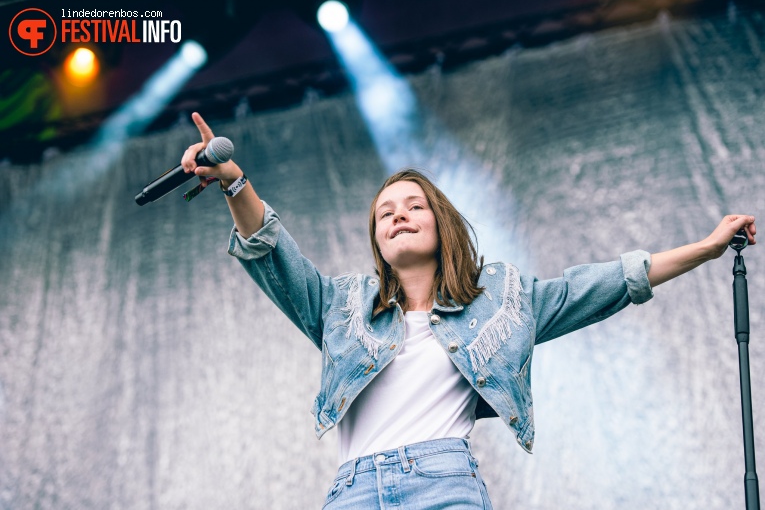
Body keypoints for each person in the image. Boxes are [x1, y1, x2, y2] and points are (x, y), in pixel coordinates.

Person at [181, 112, 756, 509]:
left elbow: (602, 284)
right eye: (385, 212)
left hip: (442, 485)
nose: (397, 215)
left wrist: (706, 248)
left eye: (413, 205)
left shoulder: (502, 304)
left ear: (442, 224)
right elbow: (273, 253)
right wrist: (234, 184)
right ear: (376, 238)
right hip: (352, 490)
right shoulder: (340, 308)